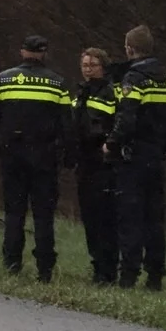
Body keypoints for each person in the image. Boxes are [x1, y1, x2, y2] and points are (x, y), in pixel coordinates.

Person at [0, 34, 69, 282]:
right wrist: (68, 157)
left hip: (12, 157)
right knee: (43, 215)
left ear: (22, 52)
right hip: (44, 158)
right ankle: (45, 269)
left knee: (14, 213)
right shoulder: (57, 83)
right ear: (44, 53)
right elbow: (66, 125)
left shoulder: (4, 79)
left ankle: (12, 265)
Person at [106, 25, 166, 291]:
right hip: (156, 157)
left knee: (130, 216)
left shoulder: (134, 79)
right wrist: (163, 148)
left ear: (130, 48)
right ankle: (155, 276)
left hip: (134, 157)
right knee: (154, 218)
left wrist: (112, 144)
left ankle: (128, 276)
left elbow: (126, 119)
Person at [67, 46, 119, 285]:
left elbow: (112, 125)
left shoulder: (110, 92)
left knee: (104, 219)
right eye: (85, 65)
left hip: (103, 164)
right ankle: (97, 267)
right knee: (89, 218)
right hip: (84, 162)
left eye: (93, 65)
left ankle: (108, 271)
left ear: (103, 67)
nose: (88, 70)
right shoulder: (80, 93)